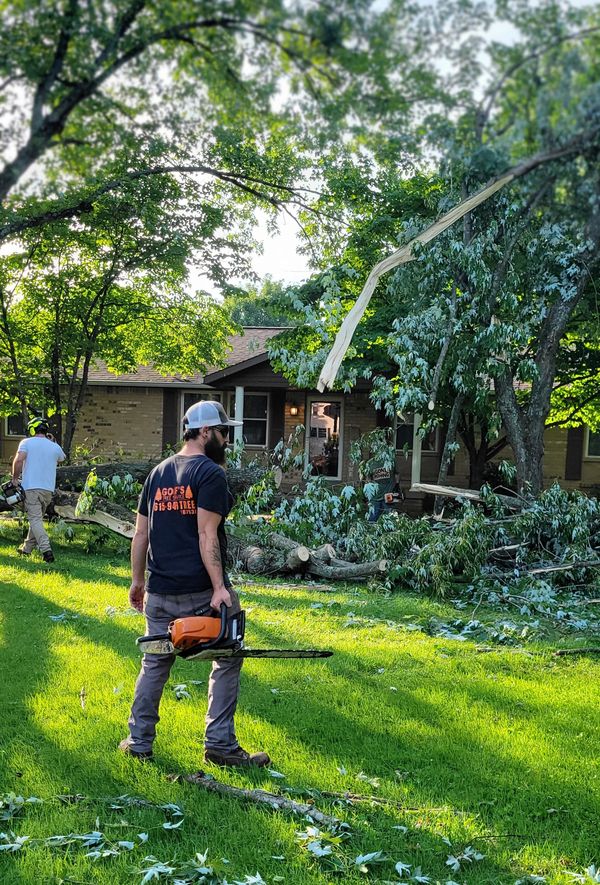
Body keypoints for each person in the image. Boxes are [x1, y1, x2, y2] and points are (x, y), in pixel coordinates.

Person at [119, 400, 270, 767]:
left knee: (155, 664)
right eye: (223, 432)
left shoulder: (158, 473)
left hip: (159, 591)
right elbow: (207, 534)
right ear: (206, 433)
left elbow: (140, 535)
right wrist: (220, 588)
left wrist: (138, 582)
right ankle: (219, 744)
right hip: (200, 592)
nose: (227, 440)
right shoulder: (210, 474)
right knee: (228, 656)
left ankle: (138, 741)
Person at [12, 417, 66, 563]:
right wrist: (53, 441)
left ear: (32, 429)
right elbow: (62, 458)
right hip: (47, 490)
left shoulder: (26, 443)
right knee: (36, 519)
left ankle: (46, 550)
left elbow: (18, 461)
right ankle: (26, 548)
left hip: (31, 488)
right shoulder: (54, 447)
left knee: (35, 519)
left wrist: (15, 478)